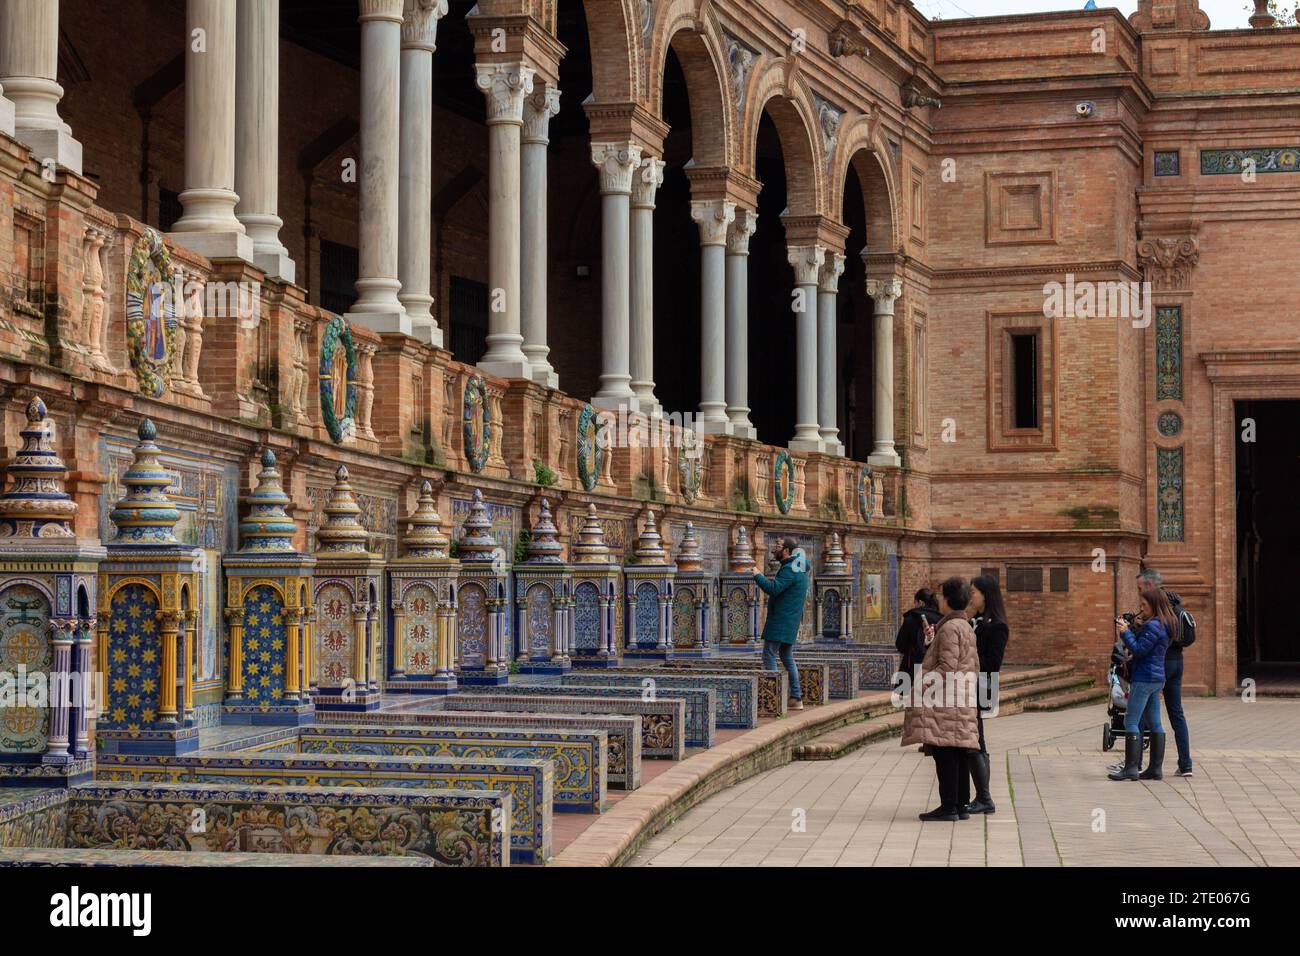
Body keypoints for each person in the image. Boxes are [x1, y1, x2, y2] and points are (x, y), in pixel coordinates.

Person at [901, 576, 981, 821]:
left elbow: (947, 666)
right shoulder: (964, 626)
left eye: (941, 595)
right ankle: (959, 805)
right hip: (961, 697)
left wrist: (922, 683)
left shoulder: (950, 628)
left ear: (947, 600)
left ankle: (949, 806)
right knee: (957, 752)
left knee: (945, 753)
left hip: (947, 702)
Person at [1109, 586, 1175, 781]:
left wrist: (1124, 632)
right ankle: (1155, 769)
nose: (1141, 608)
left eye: (1144, 605)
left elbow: (1138, 650)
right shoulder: (1165, 623)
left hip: (1144, 677)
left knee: (1131, 719)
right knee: (1154, 721)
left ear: (1154, 604)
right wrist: (1135, 627)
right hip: (1157, 678)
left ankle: (1130, 768)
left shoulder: (1153, 625)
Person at [1137, 568, 1193, 777]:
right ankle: (1186, 764)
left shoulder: (1157, 607)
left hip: (1159, 663)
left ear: (1150, 586)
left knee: (1142, 712)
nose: (1140, 593)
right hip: (1177, 661)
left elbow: (1148, 640)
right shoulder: (1177, 606)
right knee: (1176, 712)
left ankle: (1137, 762)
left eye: (1140, 588)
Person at [965, 575, 1009, 814]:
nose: (971, 596)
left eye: (974, 592)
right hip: (970, 685)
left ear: (986, 594)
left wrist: (968, 658)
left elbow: (993, 662)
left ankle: (985, 797)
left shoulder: (997, 625)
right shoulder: (977, 621)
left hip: (981, 686)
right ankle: (982, 796)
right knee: (976, 740)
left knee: (976, 741)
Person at [755, 537, 809, 711]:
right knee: (786, 656)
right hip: (789, 621)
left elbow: (774, 588)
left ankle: (773, 697)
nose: (774, 549)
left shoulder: (790, 569)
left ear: (786, 551)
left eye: (777, 546)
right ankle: (796, 697)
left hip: (781, 621)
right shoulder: (798, 568)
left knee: (768, 655)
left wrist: (757, 575)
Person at [895, 588, 941, 689]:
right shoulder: (941, 619)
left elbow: (900, 645)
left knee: (906, 701)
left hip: (912, 667)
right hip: (936, 668)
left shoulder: (911, 619)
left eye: (915, 603)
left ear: (920, 602)